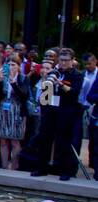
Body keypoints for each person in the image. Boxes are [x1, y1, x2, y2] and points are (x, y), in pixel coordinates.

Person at [33, 49, 84, 180]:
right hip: (51, 110)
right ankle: (41, 168)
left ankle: (65, 171)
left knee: (64, 142)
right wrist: (47, 81)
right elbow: (44, 96)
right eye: (61, 60)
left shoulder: (76, 75)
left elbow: (74, 93)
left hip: (66, 111)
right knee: (44, 139)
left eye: (66, 60)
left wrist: (60, 85)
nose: (63, 63)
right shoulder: (54, 72)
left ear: (72, 60)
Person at [0, 59, 29, 170]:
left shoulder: (23, 78)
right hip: (3, 108)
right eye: (8, 64)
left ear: (19, 66)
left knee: (15, 139)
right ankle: (4, 165)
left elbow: (24, 94)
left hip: (17, 109)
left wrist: (13, 83)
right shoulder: (3, 78)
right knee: (3, 139)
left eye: (13, 64)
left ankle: (14, 165)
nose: (10, 67)